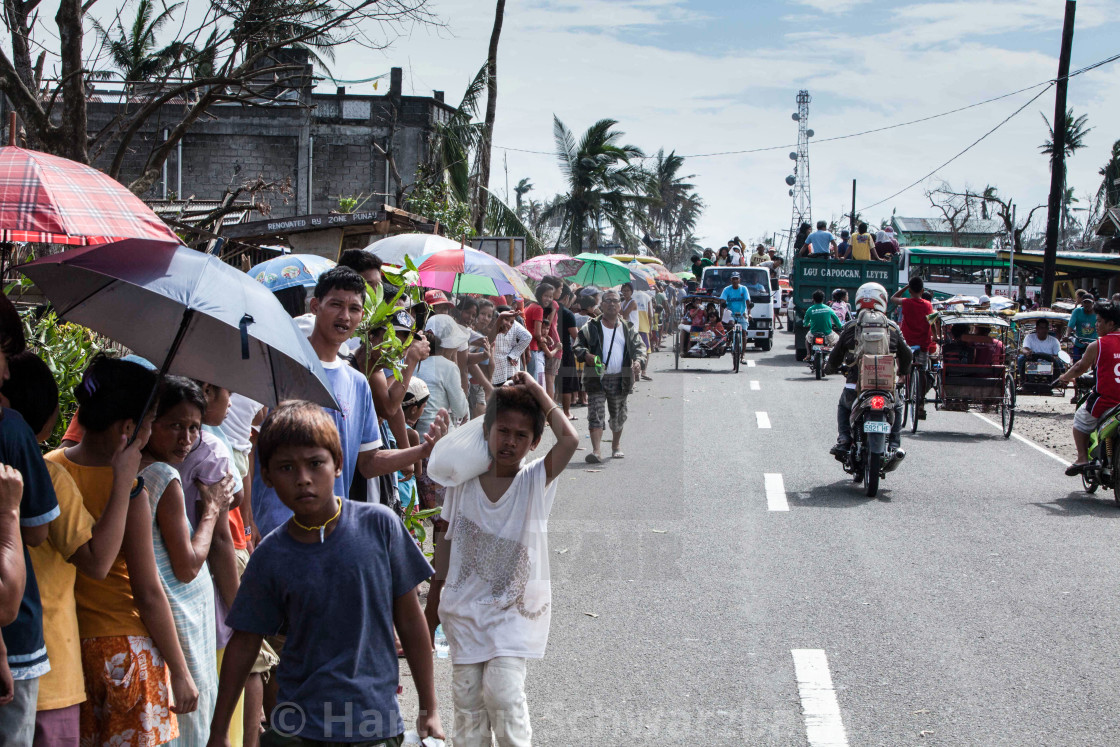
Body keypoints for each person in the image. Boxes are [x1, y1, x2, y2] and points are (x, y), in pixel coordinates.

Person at [209, 402, 445, 745]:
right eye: (287, 467)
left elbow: (410, 622)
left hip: (373, 722)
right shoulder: (272, 555)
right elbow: (244, 644)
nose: (303, 478)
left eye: (315, 463)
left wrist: (430, 708)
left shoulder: (380, 527)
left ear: (338, 465)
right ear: (268, 476)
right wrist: (218, 732)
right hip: (300, 726)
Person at [47, 357, 199, 746]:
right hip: (125, 651)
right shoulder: (132, 490)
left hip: (67, 650)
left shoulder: (50, 469)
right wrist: (180, 671)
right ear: (129, 428)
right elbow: (147, 592)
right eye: (150, 422)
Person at [2, 351, 145, 747]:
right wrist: (124, 481)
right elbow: (98, 562)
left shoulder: (49, 463)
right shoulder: (50, 476)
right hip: (46, 670)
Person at [426, 374, 578, 747]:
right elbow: (444, 543)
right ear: (487, 431)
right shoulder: (462, 483)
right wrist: (432, 607)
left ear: (535, 442)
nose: (510, 441)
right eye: (502, 430)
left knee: (503, 695)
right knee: (467, 703)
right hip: (464, 611)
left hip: (512, 611)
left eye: (522, 435)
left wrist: (536, 390)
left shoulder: (533, 480)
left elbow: (571, 439)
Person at [252, 268, 450, 538]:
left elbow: (368, 462)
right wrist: (248, 522)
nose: (345, 316)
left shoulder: (358, 383)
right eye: (336, 304)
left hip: (333, 532)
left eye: (354, 308)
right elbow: (252, 446)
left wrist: (423, 451)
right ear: (315, 306)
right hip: (280, 529)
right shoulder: (281, 368)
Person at [141, 378, 236, 747]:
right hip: (178, 610)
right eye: (175, 426)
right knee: (191, 720)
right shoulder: (162, 476)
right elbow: (188, 564)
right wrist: (212, 511)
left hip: (180, 610)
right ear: (151, 422)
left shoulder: (136, 467)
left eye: (194, 427)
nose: (186, 438)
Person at [825, 283, 912, 461]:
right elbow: (907, 354)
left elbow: (835, 355)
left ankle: (844, 439)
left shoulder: (850, 327)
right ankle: (894, 443)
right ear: (883, 300)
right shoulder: (892, 327)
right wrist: (902, 372)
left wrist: (829, 368)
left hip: (854, 384)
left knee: (844, 405)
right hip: (887, 386)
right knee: (898, 405)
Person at [573, 290, 646, 463]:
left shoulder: (627, 327)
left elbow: (639, 348)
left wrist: (638, 361)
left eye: (615, 301)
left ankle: (616, 446)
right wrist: (587, 356)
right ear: (602, 304)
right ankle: (596, 451)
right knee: (595, 414)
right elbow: (577, 346)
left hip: (621, 378)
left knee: (618, 414)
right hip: (595, 377)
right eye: (608, 301)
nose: (612, 304)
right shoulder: (591, 326)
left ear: (620, 305)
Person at [1057, 301, 1120, 474]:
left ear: (1111, 324)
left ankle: (1082, 458)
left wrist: (1064, 377)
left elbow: (1079, 367)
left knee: (1080, 419)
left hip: (1106, 400)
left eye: (1099, 321)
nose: (1096, 325)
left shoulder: (1098, 345)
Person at [890, 276, 936, 419]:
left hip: (907, 343)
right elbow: (932, 323)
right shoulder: (928, 305)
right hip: (923, 343)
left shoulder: (906, 302)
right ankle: (920, 405)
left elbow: (893, 298)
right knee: (923, 371)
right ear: (922, 290)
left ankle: (902, 375)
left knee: (899, 348)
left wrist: (906, 287)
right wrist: (936, 336)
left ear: (910, 290)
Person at [415, 332, 470, 438]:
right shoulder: (449, 367)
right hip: (439, 434)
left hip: (413, 434)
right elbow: (460, 410)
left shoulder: (410, 362)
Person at [524, 283, 558, 389]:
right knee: (533, 383)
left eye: (551, 296)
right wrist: (544, 341)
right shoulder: (538, 308)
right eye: (546, 295)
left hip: (526, 347)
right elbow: (537, 334)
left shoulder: (530, 305)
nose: (548, 299)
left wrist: (546, 337)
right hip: (532, 348)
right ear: (539, 295)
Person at [490, 306, 532, 387]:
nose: (509, 324)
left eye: (511, 322)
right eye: (506, 319)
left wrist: (513, 355)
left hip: (509, 366)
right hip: (495, 366)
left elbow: (527, 337)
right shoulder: (492, 323)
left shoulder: (514, 325)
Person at [719, 273, 751, 362]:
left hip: (742, 313)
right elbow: (722, 302)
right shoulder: (727, 289)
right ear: (731, 280)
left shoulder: (743, 289)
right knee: (730, 325)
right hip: (731, 313)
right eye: (733, 279)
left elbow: (748, 301)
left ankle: (743, 355)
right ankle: (729, 340)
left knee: (744, 333)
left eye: (736, 279)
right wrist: (721, 317)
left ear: (739, 280)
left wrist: (749, 313)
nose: (735, 281)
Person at [1066, 294, 1098, 363]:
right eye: (1085, 302)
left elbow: (1102, 326)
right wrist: (1067, 335)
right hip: (1079, 341)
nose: (1087, 304)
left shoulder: (1097, 312)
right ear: (1082, 303)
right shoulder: (1077, 311)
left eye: (1089, 302)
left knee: (1095, 363)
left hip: (1093, 343)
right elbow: (1071, 325)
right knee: (1076, 362)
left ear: (1093, 303)